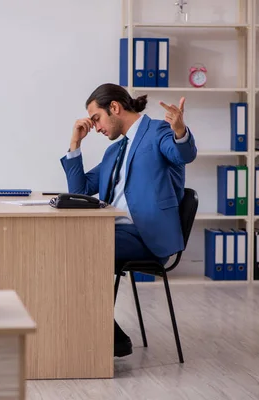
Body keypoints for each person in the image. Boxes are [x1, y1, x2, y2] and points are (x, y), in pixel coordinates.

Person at [59, 83, 197, 358]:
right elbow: (79, 192)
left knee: (79, 247)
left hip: (146, 236)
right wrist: (75, 143)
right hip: (114, 231)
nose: (95, 127)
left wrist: (179, 130)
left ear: (114, 107)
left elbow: (183, 154)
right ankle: (97, 332)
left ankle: (109, 337)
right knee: (65, 243)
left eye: (96, 118)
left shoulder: (157, 131)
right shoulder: (114, 152)